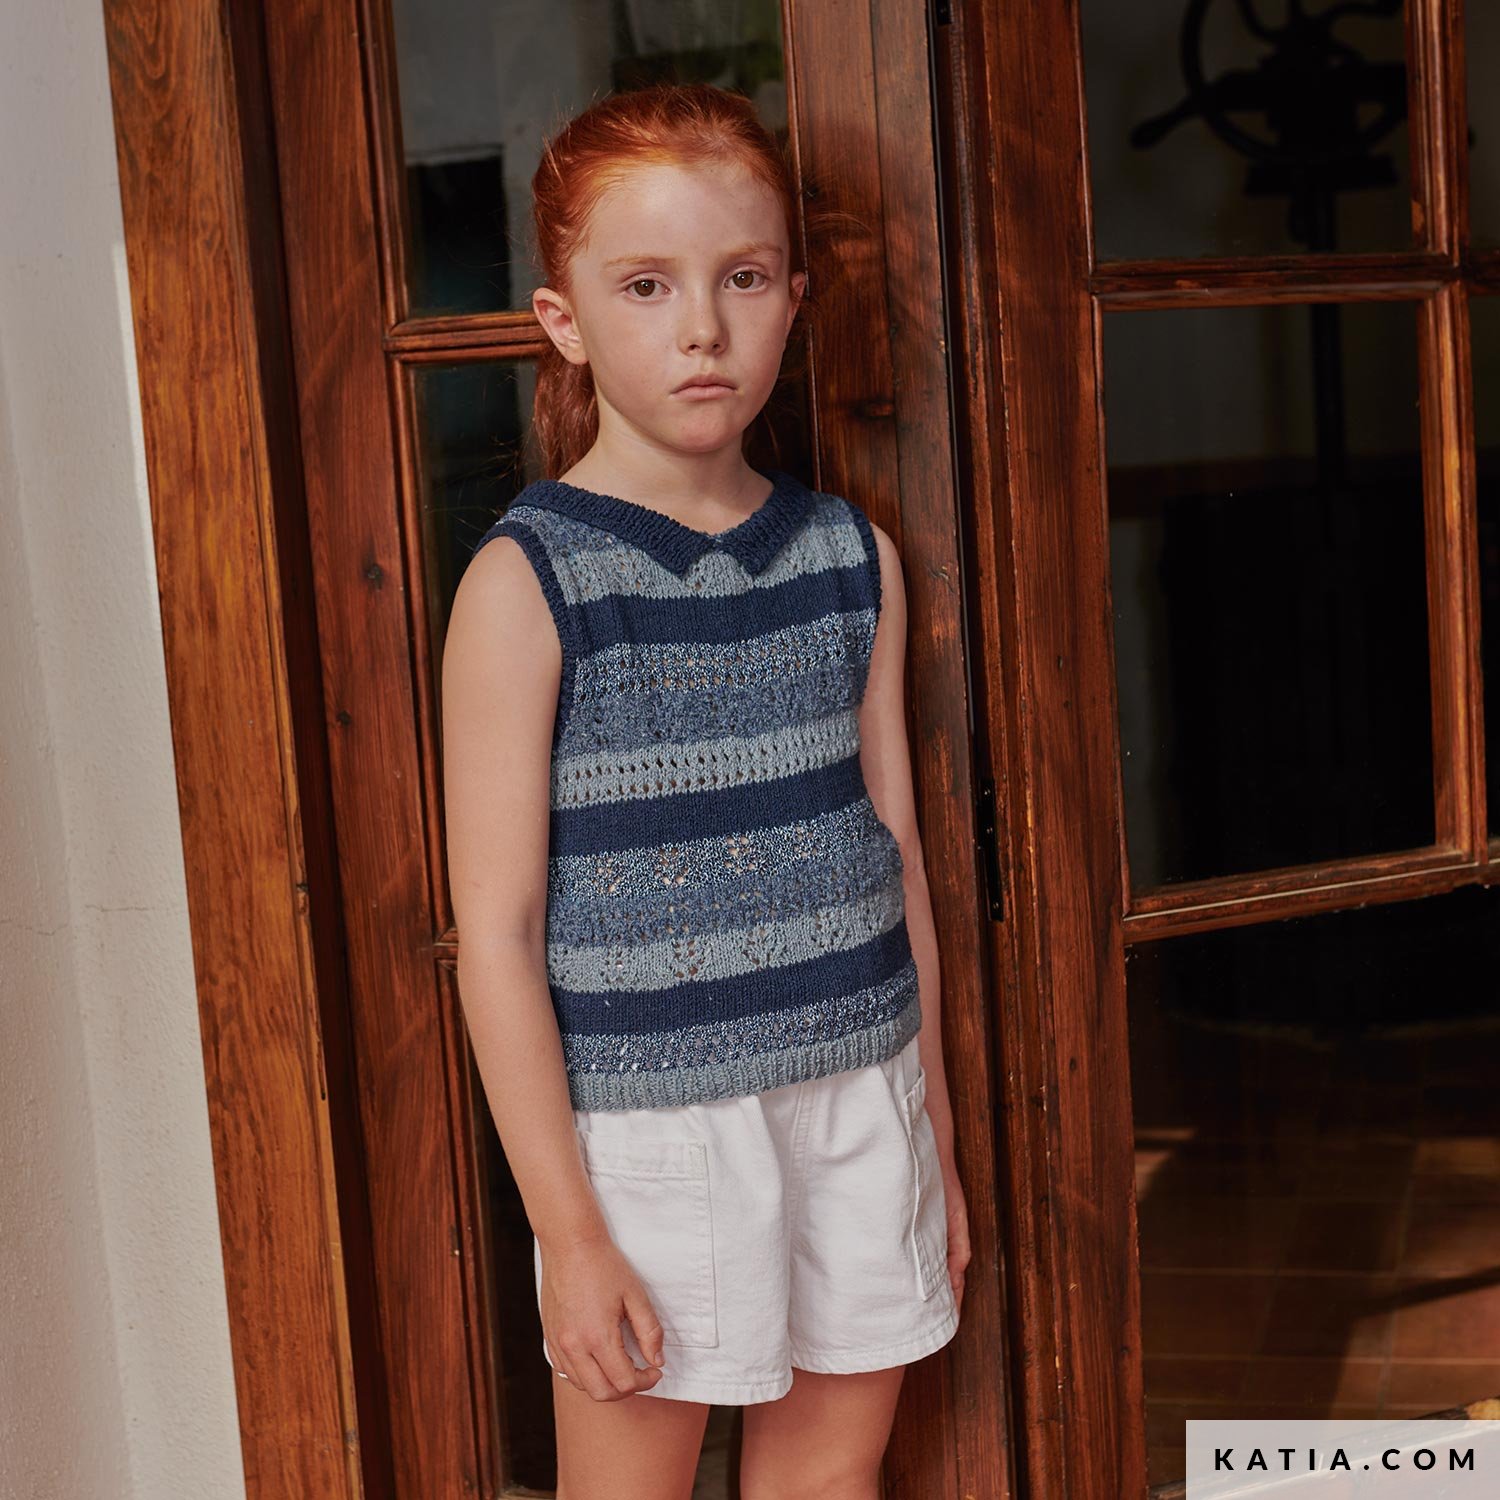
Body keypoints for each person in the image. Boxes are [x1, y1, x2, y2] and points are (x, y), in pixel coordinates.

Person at [441, 80, 969, 1500]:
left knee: (829, 1483)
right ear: (564, 320)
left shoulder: (849, 555)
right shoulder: (529, 583)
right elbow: (498, 936)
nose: (701, 329)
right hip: (654, 1138)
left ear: (793, 299)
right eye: (645, 285)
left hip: (862, 1095)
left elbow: (895, 857)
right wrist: (571, 1233)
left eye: (742, 278)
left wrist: (934, 1135)